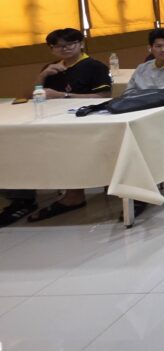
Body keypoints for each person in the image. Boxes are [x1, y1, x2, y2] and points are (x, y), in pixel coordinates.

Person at [4, 29, 112, 225]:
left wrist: (63, 95)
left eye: (70, 44)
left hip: (81, 120)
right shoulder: (51, 68)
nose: (64, 49)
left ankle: (73, 195)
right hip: (49, 117)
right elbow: (30, 96)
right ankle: (21, 197)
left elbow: (103, 97)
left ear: (81, 44)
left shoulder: (94, 66)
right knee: (14, 141)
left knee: (63, 144)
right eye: (58, 46)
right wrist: (42, 77)